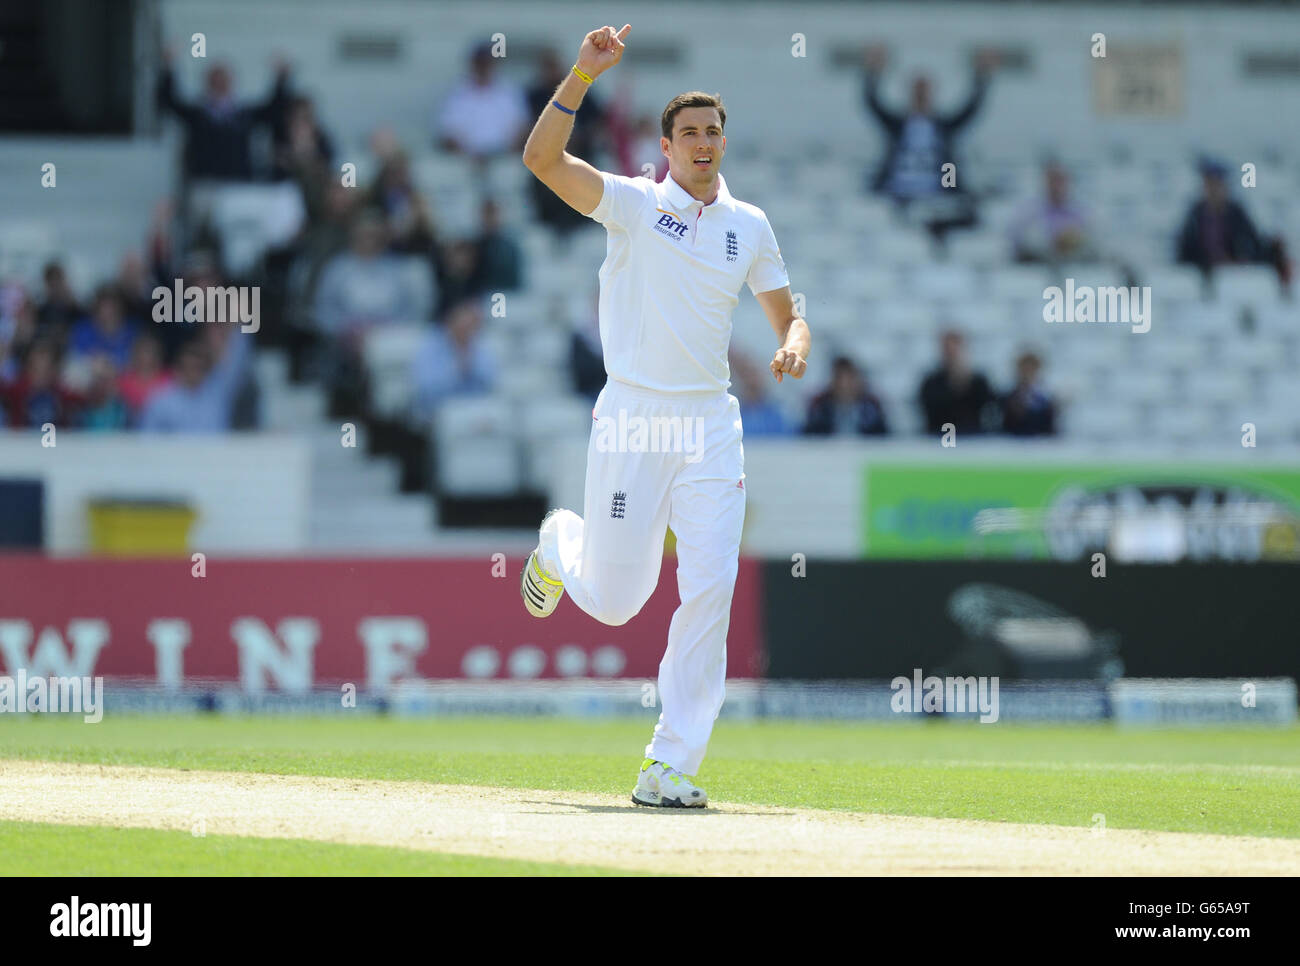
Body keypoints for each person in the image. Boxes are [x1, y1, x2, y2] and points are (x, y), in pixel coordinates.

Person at [519, 25, 811, 808]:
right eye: (690, 133)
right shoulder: (636, 206)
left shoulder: (748, 225)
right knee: (616, 601)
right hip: (634, 419)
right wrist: (583, 71)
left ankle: (669, 764)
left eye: (714, 132)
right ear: (667, 145)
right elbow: (542, 161)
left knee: (711, 583)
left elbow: (788, 312)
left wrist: (795, 340)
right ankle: (559, 542)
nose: (704, 143)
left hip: (711, 423)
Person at [861, 45, 997, 241]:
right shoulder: (897, 126)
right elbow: (872, 103)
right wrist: (873, 73)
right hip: (897, 194)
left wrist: (981, 76)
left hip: (938, 194)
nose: (921, 95)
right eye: (917, 90)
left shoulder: (943, 128)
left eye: (924, 90)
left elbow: (971, 109)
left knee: (972, 216)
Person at [156, 48, 291, 182]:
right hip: (204, 182)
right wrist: (169, 68)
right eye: (215, 81)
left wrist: (281, 79)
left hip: (239, 183)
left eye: (224, 80)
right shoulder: (196, 115)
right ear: (207, 83)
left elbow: (274, 110)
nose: (220, 85)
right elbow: (170, 102)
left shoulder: (244, 114)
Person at [1177, 158, 1292, 290]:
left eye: (1216, 184)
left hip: (1235, 270)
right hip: (1206, 273)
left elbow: (1252, 243)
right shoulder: (1195, 214)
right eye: (1209, 184)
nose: (1213, 189)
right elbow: (1185, 251)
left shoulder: (1237, 213)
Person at [139, 328, 250, 433]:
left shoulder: (219, 394)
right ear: (178, 367)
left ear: (206, 368)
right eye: (188, 366)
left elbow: (238, 357)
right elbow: (146, 442)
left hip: (216, 452)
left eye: (198, 367)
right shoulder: (160, 400)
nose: (193, 372)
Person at [435, 42, 528, 160]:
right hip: (466, 160)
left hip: (504, 159)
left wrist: (506, 153)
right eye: (480, 63)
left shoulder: (509, 93)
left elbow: (522, 128)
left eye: (487, 63)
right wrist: (468, 155)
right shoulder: (457, 96)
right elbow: (448, 133)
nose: (484, 68)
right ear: (473, 65)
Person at [410, 299, 496, 417]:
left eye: (471, 325)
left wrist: (470, 366)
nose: (467, 329)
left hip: (474, 408)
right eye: (463, 323)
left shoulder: (479, 346)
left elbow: (489, 383)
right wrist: (456, 371)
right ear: (450, 321)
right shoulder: (430, 346)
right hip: (438, 410)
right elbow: (425, 389)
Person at [1010, 162, 1098, 264]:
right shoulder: (1029, 211)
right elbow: (1019, 241)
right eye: (1052, 181)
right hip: (1038, 263)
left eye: (1060, 181)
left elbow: (1091, 240)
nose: (1056, 186)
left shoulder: (1081, 211)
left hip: (1074, 263)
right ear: (1045, 182)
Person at [918, 330, 998, 435]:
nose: (951, 355)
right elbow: (931, 411)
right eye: (947, 350)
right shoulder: (931, 382)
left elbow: (988, 407)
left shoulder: (978, 381)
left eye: (954, 350)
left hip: (973, 437)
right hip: (939, 437)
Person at [803, 355, 888, 435]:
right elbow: (809, 437)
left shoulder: (872, 406)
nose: (844, 386)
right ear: (833, 381)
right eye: (840, 380)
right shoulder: (819, 406)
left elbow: (883, 438)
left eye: (849, 380)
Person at [1000, 350, 1057, 437]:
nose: (1027, 374)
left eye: (1031, 370)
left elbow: (1050, 428)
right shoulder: (1009, 398)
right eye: (1025, 370)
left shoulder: (1046, 400)